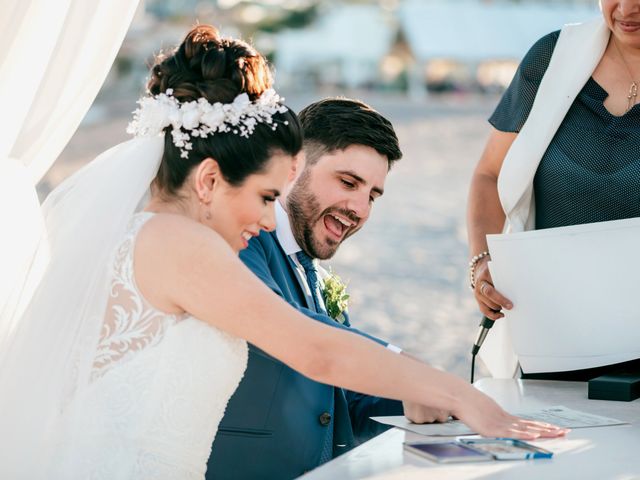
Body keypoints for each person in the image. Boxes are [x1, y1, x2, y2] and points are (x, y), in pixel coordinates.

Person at [0, 25, 565, 480]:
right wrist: (464, 397)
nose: (270, 218)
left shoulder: (152, 236)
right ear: (208, 181)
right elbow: (313, 348)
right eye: (267, 196)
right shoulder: (179, 243)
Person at [208, 98, 422, 479]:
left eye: (372, 195)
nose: (360, 209)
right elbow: (283, 328)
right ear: (294, 165)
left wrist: (414, 396)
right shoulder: (241, 239)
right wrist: (405, 367)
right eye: (348, 182)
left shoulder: (313, 273)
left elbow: (344, 398)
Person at [467, 0, 640, 380]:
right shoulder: (551, 58)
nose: (627, 8)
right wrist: (482, 262)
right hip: (551, 337)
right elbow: (489, 174)